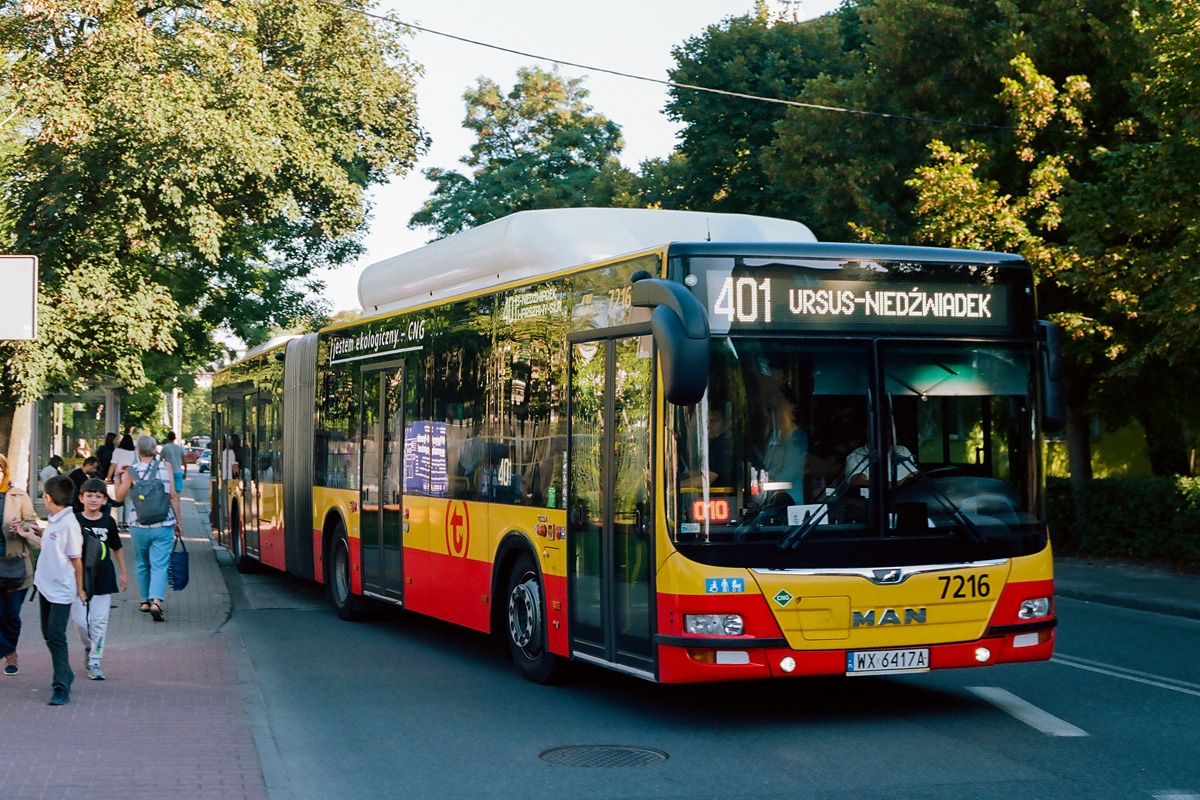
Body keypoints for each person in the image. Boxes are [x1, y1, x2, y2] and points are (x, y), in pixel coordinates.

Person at [16, 475, 86, 705]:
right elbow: (52, 546)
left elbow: (77, 560)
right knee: (48, 634)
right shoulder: (56, 520)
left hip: (62, 591)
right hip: (46, 587)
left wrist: (81, 590)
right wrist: (32, 535)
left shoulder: (69, 524)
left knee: (56, 636)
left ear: (47, 497)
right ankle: (65, 672)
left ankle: (61, 687)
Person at [112, 435, 182, 622]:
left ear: (138, 451)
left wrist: (118, 476)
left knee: (142, 562)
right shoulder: (166, 467)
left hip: (138, 525)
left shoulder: (131, 471)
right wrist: (179, 522)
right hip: (164, 523)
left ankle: (144, 600)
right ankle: (156, 602)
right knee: (160, 564)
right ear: (155, 449)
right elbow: (173, 496)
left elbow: (118, 498)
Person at [72, 478, 126, 680]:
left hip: (103, 578)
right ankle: (89, 646)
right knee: (80, 623)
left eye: (98, 496)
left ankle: (95, 661)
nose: (93, 500)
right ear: (81, 498)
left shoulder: (108, 521)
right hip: (78, 579)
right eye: (89, 496)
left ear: (105, 500)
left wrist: (123, 572)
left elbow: (117, 547)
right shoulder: (74, 520)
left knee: (99, 622)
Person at [1, 454, 38, 676]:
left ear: (5, 473)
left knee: (11, 614)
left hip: (15, 564)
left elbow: (32, 524)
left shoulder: (18, 495)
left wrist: (21, 525)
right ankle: (7, 652)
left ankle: (10, 650)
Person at [106, 434, 137, 529]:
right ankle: (127, 523)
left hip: (118, 478)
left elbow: (113, 465)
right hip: (130, 478)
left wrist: (108, 478)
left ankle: (119, 523)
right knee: (129, 501)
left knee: (118, 500)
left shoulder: (117, 451)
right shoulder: (134, 453)